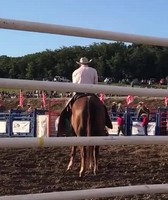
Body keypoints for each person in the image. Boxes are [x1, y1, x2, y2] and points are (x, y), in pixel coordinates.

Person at [58, 57, 112, 135]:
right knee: (103, 107)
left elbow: (74, 86)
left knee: (66, 110)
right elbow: (95, 84)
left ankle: (67, 129)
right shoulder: (93, 70)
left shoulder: (75, 72)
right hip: (91, 92)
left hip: (78, 93)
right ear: (88, 63)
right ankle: (105, 126)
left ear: (80, 64)